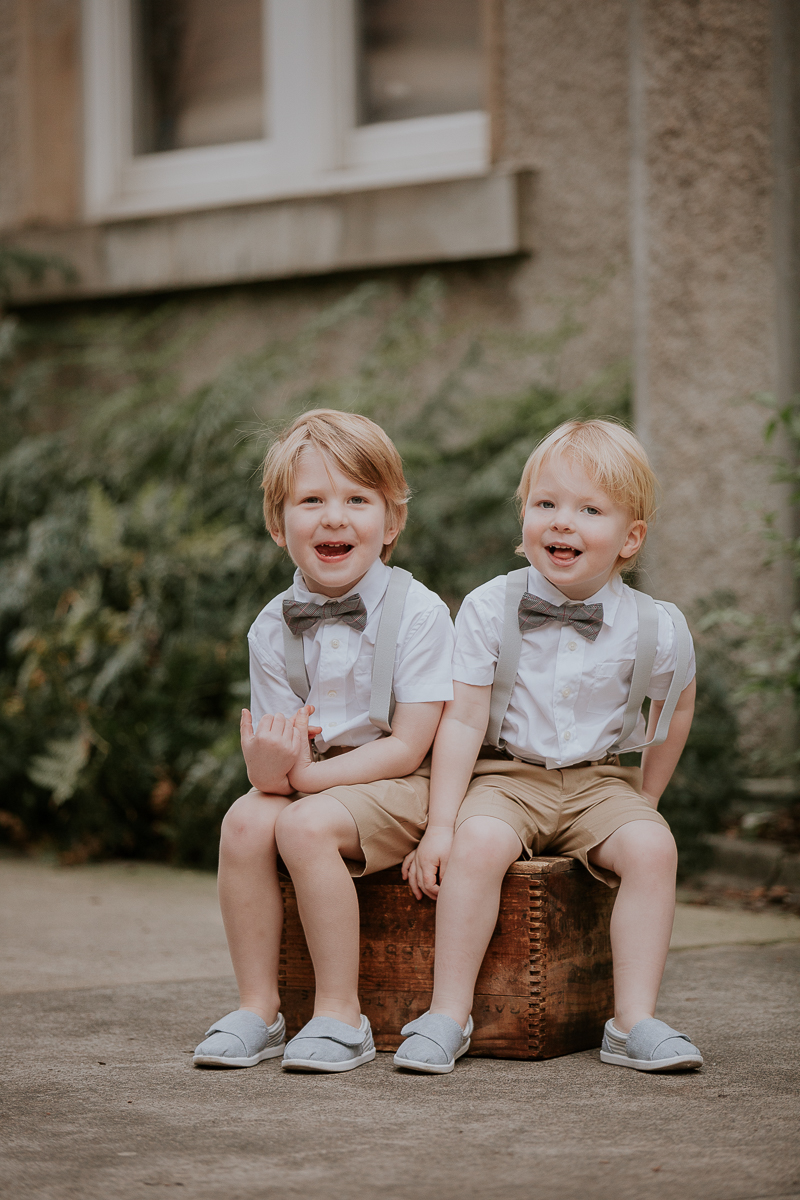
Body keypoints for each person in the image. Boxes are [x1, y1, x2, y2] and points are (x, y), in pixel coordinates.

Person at [394, 418, 703, 1075]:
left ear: (630, 538)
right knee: (476, 846)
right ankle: (448, 1014)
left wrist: (646, 797)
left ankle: (633, 1020)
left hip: (600, 783)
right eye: (546, 504)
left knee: (653, 846)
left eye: (590, 509)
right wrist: (441, 825)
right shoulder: (487, 607)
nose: (563, 522)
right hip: (510, 777)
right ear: (524, 516)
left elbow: (677, 707)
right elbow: (461, 718)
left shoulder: (657, 625)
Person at [193, 409, 454, 1074]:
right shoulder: (271, 627)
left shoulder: (418, 612)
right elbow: (284, 747)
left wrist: (302, 782)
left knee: (305, 826)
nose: (334, 518)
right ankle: (261, 1009)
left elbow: (412, 744)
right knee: (246, 823)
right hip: (316, 780)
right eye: (312, 500)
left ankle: (341, 1012)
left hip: (402, 780)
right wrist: (267, 767)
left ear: (391, 522)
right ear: (279, 526)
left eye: (357, 500)